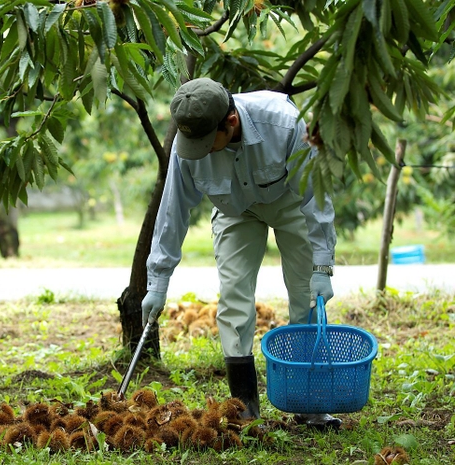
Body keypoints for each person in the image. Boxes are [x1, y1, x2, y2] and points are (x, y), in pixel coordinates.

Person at [141, 77, 340, 429]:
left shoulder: (282, 123)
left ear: (230, 122)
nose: (198, 151)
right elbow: (172, 211)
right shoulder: (187, 144)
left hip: (291, 203)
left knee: (305, 297)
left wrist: (322, 265)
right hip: (235, 210)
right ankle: (243, 411)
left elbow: (315, 196)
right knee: (234, 299)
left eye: (206, 143)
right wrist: (157, 281)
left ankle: (309, 405)